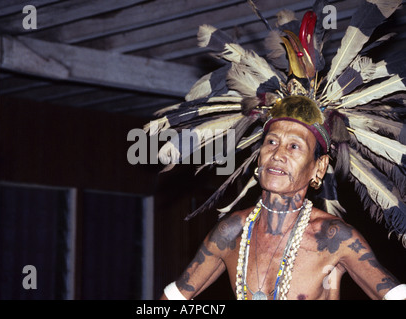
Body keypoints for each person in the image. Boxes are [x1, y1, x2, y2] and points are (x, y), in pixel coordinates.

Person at [160, 96, 406, 300]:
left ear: (318, 167)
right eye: (271, 142)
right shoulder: (231, 232)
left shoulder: (333, 237)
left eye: (294, 146)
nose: (277, 154)